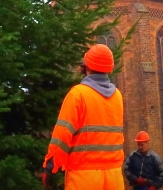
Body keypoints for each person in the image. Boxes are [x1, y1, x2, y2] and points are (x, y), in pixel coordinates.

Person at [42, 44, 125, 190]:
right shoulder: (117, 96)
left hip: (84, 176)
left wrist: (50, 167)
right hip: (114, 177)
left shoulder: (78, 94)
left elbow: (62, 135)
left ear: (87, 67)